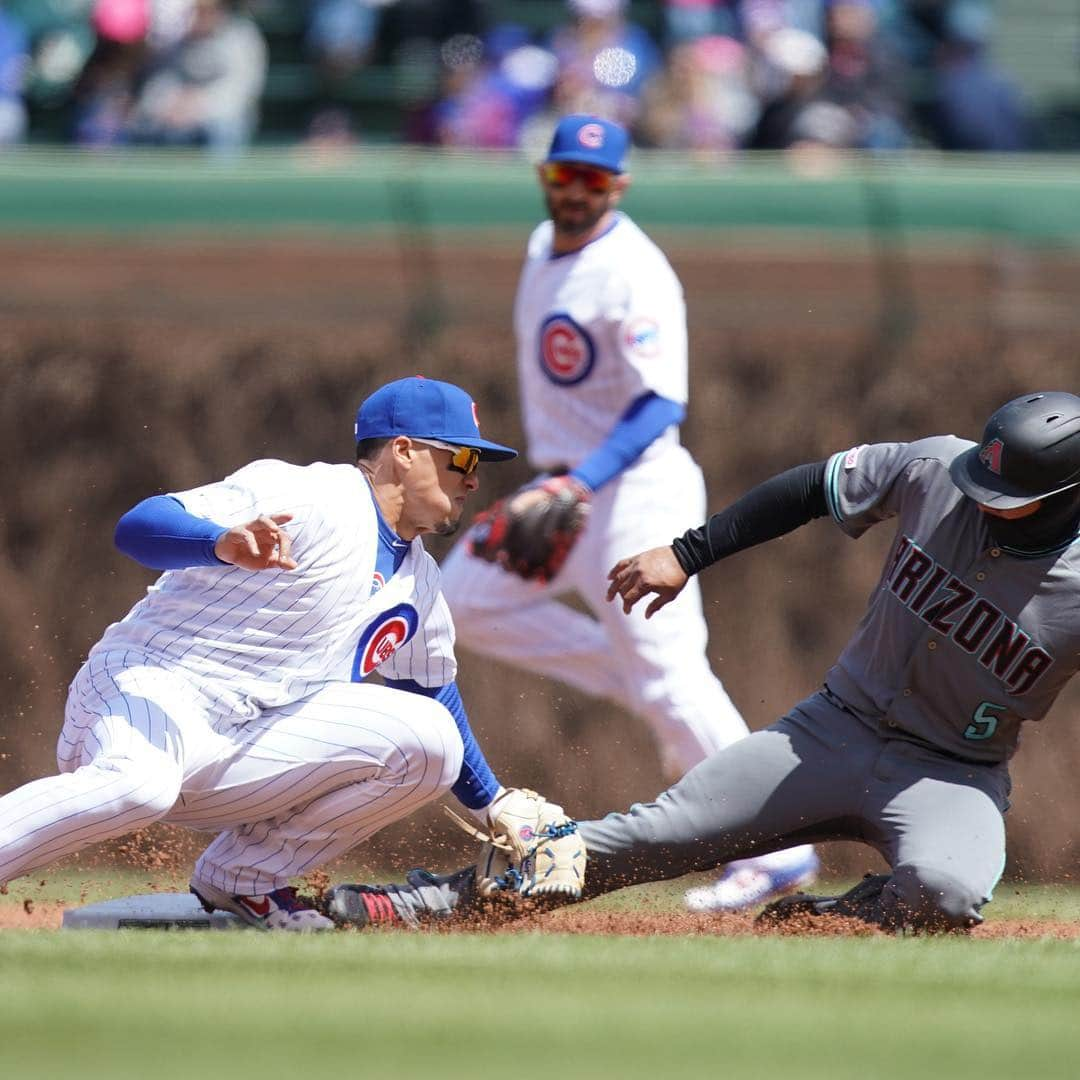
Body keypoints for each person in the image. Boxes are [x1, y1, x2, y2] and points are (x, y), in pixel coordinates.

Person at [328, 390, 1080, 933]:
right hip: (830, 732)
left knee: (946, 893)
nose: (981, 498)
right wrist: (688, 554)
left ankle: (837, 920)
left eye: (1006, 496)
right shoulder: (938, 470)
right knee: (647, 837)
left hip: (951, 772)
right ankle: (427, 900)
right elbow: (808, 489)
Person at [0, 376, 576, 931]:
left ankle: (245, 877)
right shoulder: (313, 494)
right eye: (464, 460)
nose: (473, 480)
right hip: (148, 689)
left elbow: (431, 692)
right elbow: (138, 526)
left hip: (243, 740)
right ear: (404, 451)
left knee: (431, 744)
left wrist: (493, 803)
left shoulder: (420, 580)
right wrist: (217, 542)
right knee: (138, 787)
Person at [438, 112, 818, 913]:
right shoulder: (543, 249)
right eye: (561, 176)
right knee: (458, 605)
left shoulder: (634, 271)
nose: (574, 193)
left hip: (632, 486)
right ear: (544, 176)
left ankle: (780, 849)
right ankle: (630, 671)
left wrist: (578, 486)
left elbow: (659, 404)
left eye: (593, 181)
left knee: (673, 677)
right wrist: (561, 485)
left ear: (620, 186)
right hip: (565, 487)